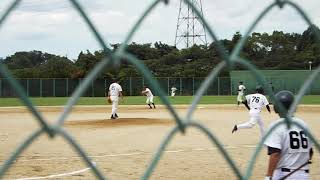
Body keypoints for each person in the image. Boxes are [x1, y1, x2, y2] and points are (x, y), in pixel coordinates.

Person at [264, 90, 313, 180]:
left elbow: (275, 154)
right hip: (304, 175)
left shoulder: (276, 125)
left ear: (276, 107)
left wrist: (269, 176)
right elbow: (310, 152)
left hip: (283, 174)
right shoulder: (303, 124)